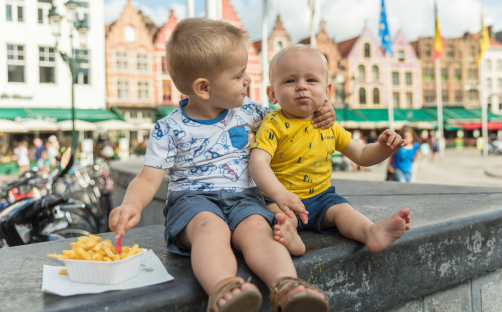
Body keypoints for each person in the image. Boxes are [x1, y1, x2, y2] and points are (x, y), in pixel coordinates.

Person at [109, 18, 337, 312]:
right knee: (209, 229)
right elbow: (147, 178)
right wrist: (132, 205)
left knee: (258, 228)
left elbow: (292, 114)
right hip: (193, 202)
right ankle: (224, 288)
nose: (248, 80)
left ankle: (286, 286)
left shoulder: (252, 112)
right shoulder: (170, 128)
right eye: (239, 75)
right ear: (204, 87)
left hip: (245, 198)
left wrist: (322, 108)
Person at [249, 44, 411, 258]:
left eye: (311, 80)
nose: (301, 87)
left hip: (321, 198)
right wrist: (280, 195)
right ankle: (290, 236)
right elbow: (258, 162)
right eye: (290, 80)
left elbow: (361, 154)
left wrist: (382, 148)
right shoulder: (273, 124)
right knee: (277, 217)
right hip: (279, 200)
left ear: (327, 91)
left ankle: (370, 232)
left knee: (343, 211)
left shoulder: (328, 125)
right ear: (272, 94)